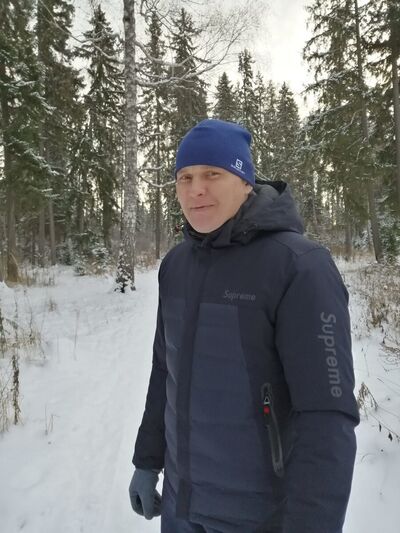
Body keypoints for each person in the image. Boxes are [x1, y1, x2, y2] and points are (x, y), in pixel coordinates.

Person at [129, 119, 359, 533]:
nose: (196, 189)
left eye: (212, 174)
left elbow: (326, 417)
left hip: (259, 516)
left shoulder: (298, 267)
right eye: (185, 177)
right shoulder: (176, 267)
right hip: (181, 509)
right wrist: (147, 461)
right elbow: (165, 371)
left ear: (244, 181)